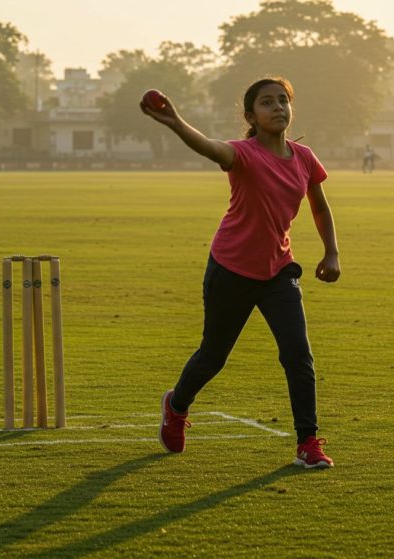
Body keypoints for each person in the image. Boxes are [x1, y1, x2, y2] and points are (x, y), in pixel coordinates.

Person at [140, 77, 340, 468]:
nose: (278, 107)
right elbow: (209, 146)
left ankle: (307, 442)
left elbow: (319, 205)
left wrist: (331, 251)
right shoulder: (243, 154)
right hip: (230, 268)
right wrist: (176, 122)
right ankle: (176, 406)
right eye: (267, 102)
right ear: (250, 116)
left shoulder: (304, 157)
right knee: (213, 356)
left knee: (298, 355)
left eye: (283, 100)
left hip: (278, 270)